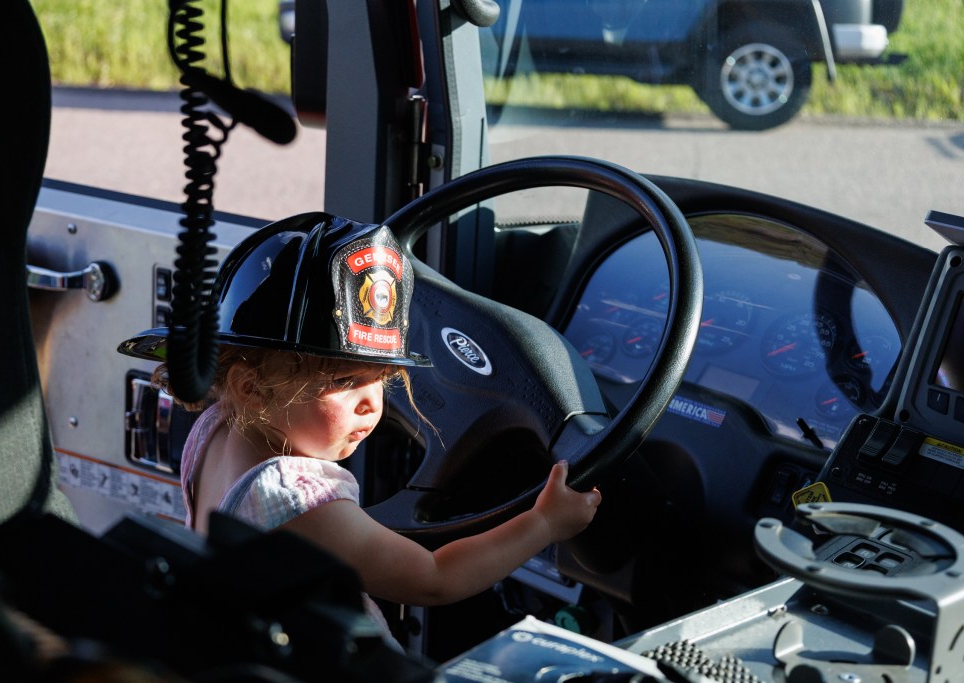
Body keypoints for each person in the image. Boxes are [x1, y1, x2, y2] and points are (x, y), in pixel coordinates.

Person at [117, 212, 601, 625]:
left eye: (383, 378)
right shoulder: (298, 501)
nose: (374, 403)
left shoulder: (216, 429)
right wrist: (543, 524)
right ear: (251, 388)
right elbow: (434, 579)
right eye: (346, 382)